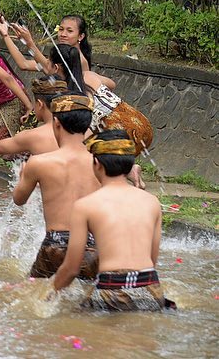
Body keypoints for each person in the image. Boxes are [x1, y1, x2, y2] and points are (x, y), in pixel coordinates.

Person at [53, 130, 176, 312]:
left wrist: (50, 293)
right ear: (130, 166)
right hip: (151, 287)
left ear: (96, 163)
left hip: (111, 288)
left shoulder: (85, 205)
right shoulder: (152, 202)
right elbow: (152, 258)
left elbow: (71, 268)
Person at [13, 94, 100, 279]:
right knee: (83, 302)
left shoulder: (39, 162)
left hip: (55, 244)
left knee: (34, 293)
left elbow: (19, 200)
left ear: (57, 123)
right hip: (89, 245)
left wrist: (22, 178)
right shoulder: (100, 163)